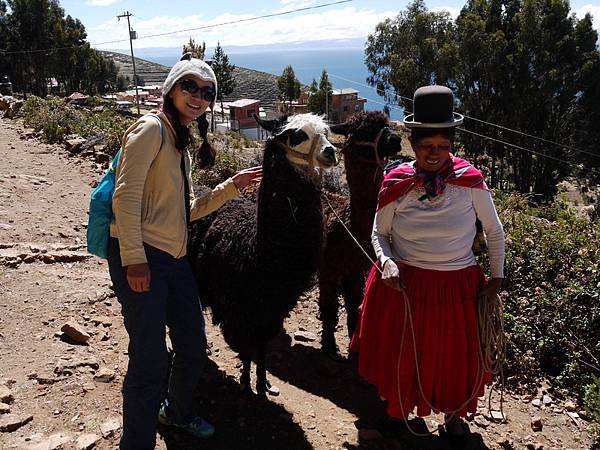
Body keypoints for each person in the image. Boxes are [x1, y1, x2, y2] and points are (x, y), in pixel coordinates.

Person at [107, 53, 262, 450]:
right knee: (150, 359)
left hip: (174, 258)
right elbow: (125, 197)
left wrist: (231, 186)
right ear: (171, 88)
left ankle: (174, 413)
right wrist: (135, 259)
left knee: (193, 345)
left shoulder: (179, 142)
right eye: (189, 86)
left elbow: (187, 212)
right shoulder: (150, 129)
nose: (198, 96)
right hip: (144, 255)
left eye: (206, 91)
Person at [350, 85, 505, 443]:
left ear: (452, 145)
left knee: (454, 358)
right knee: (403, 354)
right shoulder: (396, 182)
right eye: (425, 146)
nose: (434, 154)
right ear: (412, 143)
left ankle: (454, 417)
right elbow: (380, 232)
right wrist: (386, 261)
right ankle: (399, 413)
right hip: (404, 285)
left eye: (443, 147)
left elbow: (494, 232)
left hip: (457, 287)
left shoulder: (470, 183)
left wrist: (496, 275)